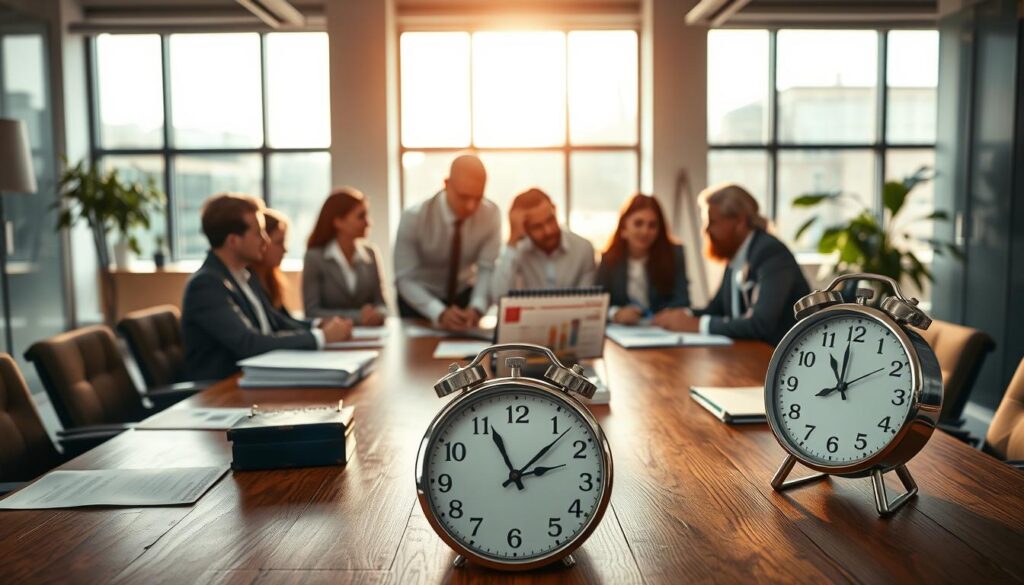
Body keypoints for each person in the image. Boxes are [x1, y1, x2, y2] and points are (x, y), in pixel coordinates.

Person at [182, 193, 352, 381]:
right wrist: (320, 337)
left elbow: (276, 322)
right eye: (258, 233)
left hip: (257, 380)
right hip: (223, 393)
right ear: (233, 241)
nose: (266, 241)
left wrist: (318, 327)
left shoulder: (245, 276)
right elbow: (249, 343)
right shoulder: (206, 285)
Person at [652, 183, 810, 345]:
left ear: (739, 222)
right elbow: (715, 310)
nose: (705, 230)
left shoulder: (770, 252)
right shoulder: (735, 254)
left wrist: (697, 324)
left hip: (782, 361)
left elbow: (760, 323)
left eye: (712, 222)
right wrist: (682, 315)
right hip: (749, 355)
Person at [393, 154, 500, 331]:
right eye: (463, 197)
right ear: (446, 184)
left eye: (478, 197)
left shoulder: (491, 214)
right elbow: (405, 278)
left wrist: (477, 307)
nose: (471, 206)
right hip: (420, 300)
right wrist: (439, 312)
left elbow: (487, 268)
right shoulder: (413, 218)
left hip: (464, 296)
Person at [596, 194, 691, 324]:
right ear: (624, 227)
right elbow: (598, 302)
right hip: (623, 331)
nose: (645, 231)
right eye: (638, 223)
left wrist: (669, 314)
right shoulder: (609, 258)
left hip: (663, 330)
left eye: (652, 225)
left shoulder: (675, 254)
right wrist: (616, 313)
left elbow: (682, 300)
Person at [303, 187, 388, 326]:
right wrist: (358, 317)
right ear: (338, 222)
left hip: (371, 336)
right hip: (333, 339)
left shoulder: (371, 253)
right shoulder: (314, 258)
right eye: (361, 216)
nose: (368, 222)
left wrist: (378, 314)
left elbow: (382, 304)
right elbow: (312, 312)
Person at [491, 188, 596, 298]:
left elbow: (587, 301)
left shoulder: (583, 249)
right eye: (537, 226)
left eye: (550, 220)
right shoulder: (519, 250)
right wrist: (513, 240)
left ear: (554, 210)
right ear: (525, 228)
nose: (548, 231)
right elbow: (499, 296)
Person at [250, 208, 293, 317]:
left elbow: (285, 320)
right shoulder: (247, 281)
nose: (285, 249)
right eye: (279, 242)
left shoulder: (272, 278)